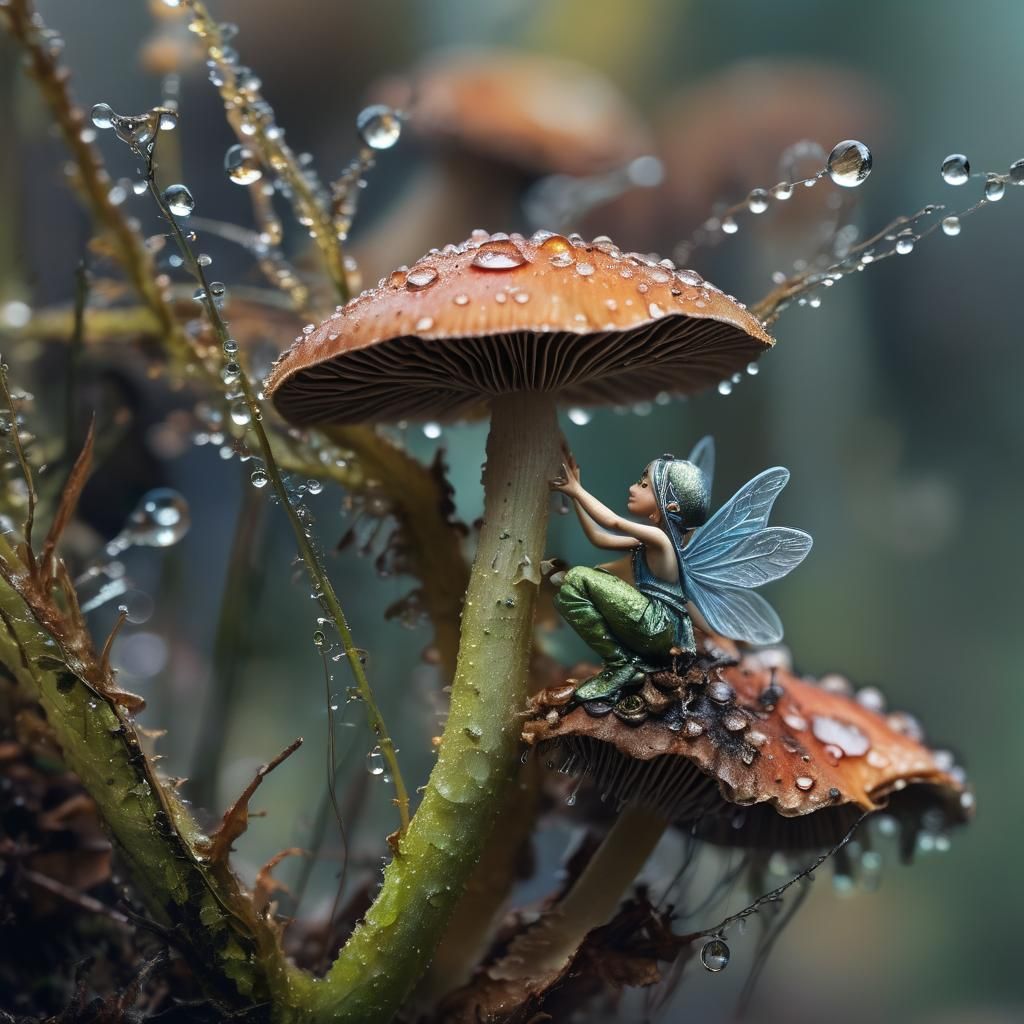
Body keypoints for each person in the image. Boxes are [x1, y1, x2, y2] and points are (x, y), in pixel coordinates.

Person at [549, 444, 710, 702]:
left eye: (644, 485)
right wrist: (576, 493)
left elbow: (612, 521)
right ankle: (622, 663)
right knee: (569, 591)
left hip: (656, 626)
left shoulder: (661, 540)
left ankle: (620, 664)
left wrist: (576, 490)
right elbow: (599, 537)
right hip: (653, 628)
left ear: (669, 507)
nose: (633, 488)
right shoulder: (652, 542)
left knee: (577, 578)